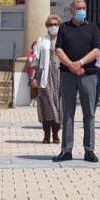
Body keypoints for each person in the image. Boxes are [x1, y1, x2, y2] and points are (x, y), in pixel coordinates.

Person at [53, 0, 100, 163]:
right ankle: (66, 150)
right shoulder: (64, 28)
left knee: (89, 113)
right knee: (67, 113)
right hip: (67, 74)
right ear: (71, 11)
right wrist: (71, 65)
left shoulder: (93, 28)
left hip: (88, 74)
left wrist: (80, 63)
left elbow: (96, 50)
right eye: (79, 8)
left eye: (84, 8)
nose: (82, 11)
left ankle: (89, 150)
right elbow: (58, 49)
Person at [34, 16, 62, 144]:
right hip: (44, 76)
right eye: (51, 24)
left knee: (57, 105)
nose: (53, 26)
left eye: (56, 24)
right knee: (46, 106)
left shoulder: (63, 40)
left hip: (59, 76)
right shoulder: (41, 40)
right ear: (47, 26)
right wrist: (33, 77)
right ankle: (46, 134)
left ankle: (56, 134)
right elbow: (36, 59)